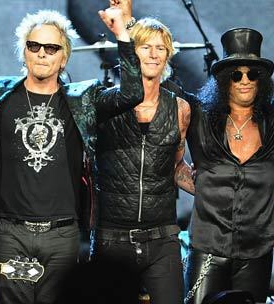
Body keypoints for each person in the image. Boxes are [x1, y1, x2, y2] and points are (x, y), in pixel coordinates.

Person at [0, 7, 143, 304]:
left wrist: (122, 32)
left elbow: (132, 94)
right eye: (34, 46)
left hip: (62, 233)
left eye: (51, 48)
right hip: (10, 231)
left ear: (63, 57)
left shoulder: (83, 99)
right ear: (23, 51)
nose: (42, 53)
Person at [178, 28, 274, 303]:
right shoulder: (200, 116)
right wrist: (198, 185)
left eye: (253, 74)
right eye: (237, 74)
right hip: (208, 248)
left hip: (257, 250)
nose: (245, 80)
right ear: (225, 80)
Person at [91, 7, 191, 304]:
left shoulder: (180, 108)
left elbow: (176, 166)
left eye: (160, 48)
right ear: (130, 54)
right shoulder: (106, 103)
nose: (153, 54)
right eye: (145, 46)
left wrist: (214, 192)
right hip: (112, 237)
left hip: (162, 238)